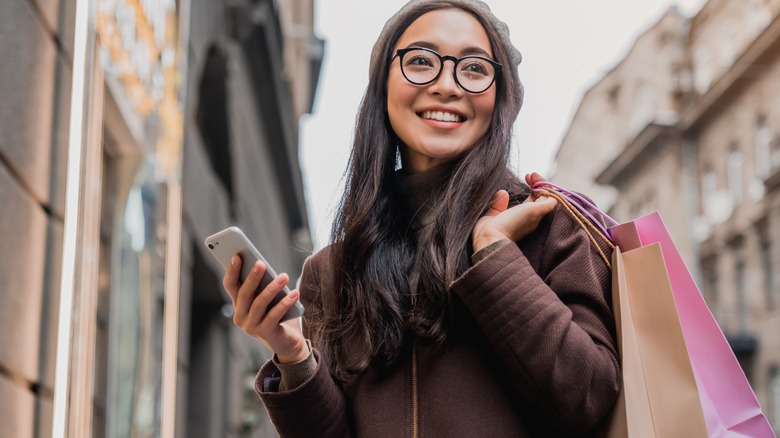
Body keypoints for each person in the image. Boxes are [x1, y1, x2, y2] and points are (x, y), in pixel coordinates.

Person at [222, 1, 620, 436]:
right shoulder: (331, 271)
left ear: (501, 96)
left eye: (472, 68)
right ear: (383, 88)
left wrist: (496, 256)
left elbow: (590, 400)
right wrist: (294, 356)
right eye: (420, 62)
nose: (447, 85)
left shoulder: (551, 226)